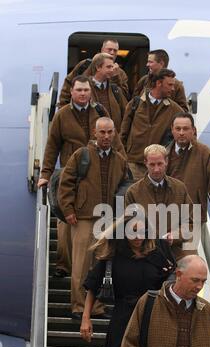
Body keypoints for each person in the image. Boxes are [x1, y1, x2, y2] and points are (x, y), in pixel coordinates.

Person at [37, 75, 126, 278]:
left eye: (86, 90)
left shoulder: (99, 112)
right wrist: (45, 173)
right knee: (64, 221)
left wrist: (123, 166)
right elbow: (52, 146)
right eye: (79, 90)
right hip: (68, 172)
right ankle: (63, 264)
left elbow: (116, 143)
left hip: (94, 174)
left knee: (86, 229)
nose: (83, 93)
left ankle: (83, 270)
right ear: (72, 92)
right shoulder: (62, 115)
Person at [80, 215, 175, 347]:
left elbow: (174, 279)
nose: (138, 237)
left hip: (153, 314)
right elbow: (92, 285)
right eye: (133, 231)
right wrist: (85, 319)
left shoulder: (158, 251)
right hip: (123, 316)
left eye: (142, 231)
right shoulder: (113, 256)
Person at [58, 117, 128, 318]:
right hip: (84, 217)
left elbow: (126, 187)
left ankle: (96, 307)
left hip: (108, 220)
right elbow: (66, 184)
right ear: (94, 133)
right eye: (102, 132)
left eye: (109, 132)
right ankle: (79, 307)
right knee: (80, 265)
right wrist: (69, 211)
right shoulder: (81, 155)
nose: (106, 136)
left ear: (114, 133)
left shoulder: (120, 160)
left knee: (99, 266)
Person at [124, 144, 195, 260]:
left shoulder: (180, 188)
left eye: (160, 164)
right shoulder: (133, 192)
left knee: (194, 266)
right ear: (145, 163)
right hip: (144, 252)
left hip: (175, 251)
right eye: (152, 164)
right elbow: (129, 227)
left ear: (166, 161)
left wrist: (174, 236)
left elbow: (190, 223)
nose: (156, 169)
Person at [167, 112, 210, 225]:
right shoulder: (164, 153)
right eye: (178, 129)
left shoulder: (204, 153)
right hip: (166, 217)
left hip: (192, 219)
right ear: (172, 130)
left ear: (193, 130)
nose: (181, 133)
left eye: (185, 129)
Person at [120, 68, 183, 180]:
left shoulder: (175, 110)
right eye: (170, 85)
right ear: (158, 83)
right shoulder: (135, 103)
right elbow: (123, 133)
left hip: (157, 166)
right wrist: (124, 157)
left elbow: (185, 132)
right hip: (133, 164)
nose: (173, 89)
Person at [58, 38, 129, 107]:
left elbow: (124, 98)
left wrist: (115, 77)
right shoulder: (85, 65)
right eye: (109, 49)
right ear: (102, 50)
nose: (112, 52)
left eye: (115, 50)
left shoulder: (120, 73)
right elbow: (68, 86)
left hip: (110, 117)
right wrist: (63, 108)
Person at [89, 53, 127, 132]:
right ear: (98, 67)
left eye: (112, 67)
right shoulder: (85, 89)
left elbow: (126, 115)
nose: (112, 70)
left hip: (113, 139)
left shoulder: (115, 89)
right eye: (108, 67)